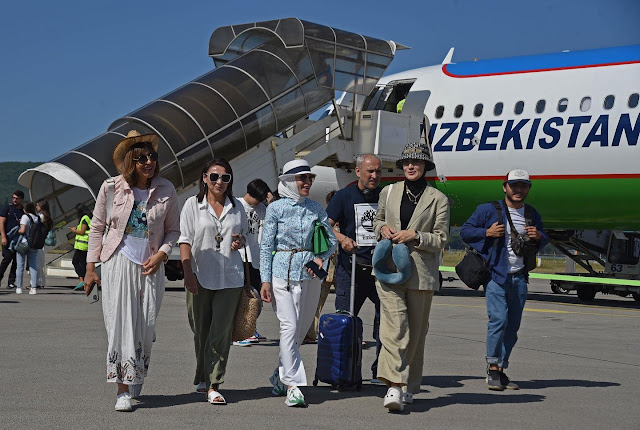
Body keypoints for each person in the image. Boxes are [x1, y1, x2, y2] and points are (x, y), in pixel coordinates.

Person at [84, 130, 180, 412]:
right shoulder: (111, 188)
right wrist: (91, 267)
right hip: (118, 261)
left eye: (152, 156)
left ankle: (136, 370)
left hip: (151, 265)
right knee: (120, 325)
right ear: (130, 161)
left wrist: (163, 253)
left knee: (146, 326)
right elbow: (97, 227)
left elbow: (173, 230)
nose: (148, 162)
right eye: (141, 158)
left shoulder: (166, 190)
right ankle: (122, 388)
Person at [373, 142, 449, 411]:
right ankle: (393, 385)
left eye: (416, 162)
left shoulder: (438, 199)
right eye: (406, 162)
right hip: (389, 269)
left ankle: (408, 386)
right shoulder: (388, 191)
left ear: (425, 166)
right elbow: (377, 220)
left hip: (421, 273)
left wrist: (415, 235)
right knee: (396, 328)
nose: (410, 166)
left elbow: (441, 239)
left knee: (416, 333)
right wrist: (382, 228)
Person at [460, 169, 548, 391]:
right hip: (496, 276)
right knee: (498, 320)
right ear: (505, 187)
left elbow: (543, 237)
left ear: (528, 188)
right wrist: (487, 233)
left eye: (523, 186)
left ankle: (501, 366)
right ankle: (492, 367)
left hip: (519, 277)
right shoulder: (489, 210)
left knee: (513, 326)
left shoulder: (531, 213)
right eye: (514, 185)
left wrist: (539, 237)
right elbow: (466, 231)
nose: (518, 190)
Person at [260, 159, 337, 407]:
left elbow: (331, 241)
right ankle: (294, 385)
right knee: (289, 326)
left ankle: (280, 375)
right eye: (302, 178)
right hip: (282, 271)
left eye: (310, 178)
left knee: (302, 330)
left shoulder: (316, 208)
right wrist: (265, 280)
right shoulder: (275, 209)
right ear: (288, 182)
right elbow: (266, 247)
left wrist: (320, 258)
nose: (307, 182)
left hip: (310, 274)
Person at [178, 158, 247, 405]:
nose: (220, 182)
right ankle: (203, 377)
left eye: (225, 177)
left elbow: (243, 237)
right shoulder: (192, 205)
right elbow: (184, 240)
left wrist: (240, 242)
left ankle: (214, 383)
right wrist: (188, 273)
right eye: (215, 176)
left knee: (220, 333)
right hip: (200, 274)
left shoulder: (237, 206)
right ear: (204, 178)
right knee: (201, 331)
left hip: (230, 276)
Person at [326, 154, 383, 380]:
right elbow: (325, 226)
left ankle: (382, 370)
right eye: (370, 171)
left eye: (378, 171)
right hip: (351, 269)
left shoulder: (386, 195)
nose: (374, 176)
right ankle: (346, 370)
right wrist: (341, 239)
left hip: (381, 270)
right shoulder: (344, 196)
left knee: (386, 324)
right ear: (358, 172)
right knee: (346, 321)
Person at [237, 178, 273, 345]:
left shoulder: (263, 208)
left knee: (254, 297)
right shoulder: (237, 205)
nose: (258, 202)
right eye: (257, 199)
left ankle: (249, 328)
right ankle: (238, 331)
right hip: (240, 258)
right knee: (240, 297)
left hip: (256, 259)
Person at [304, 190, 339, 344]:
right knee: (317, 303)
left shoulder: (328, 219)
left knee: (321, 303)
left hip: (334, 268)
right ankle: (311, 332)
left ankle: (311, 332)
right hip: (329, 267)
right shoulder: (326, 220)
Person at [0, 190, 25, 289]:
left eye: (17, 198)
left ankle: (11, 282)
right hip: (8, 238)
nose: (14, 200)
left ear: (21, 199)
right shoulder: (7, 208)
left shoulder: (23, 210)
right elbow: (1, 222)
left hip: (19, 240)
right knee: (7, 259)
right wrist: (3, 237)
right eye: (13, 198)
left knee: (16, 261)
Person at [14, 202, 40, 295]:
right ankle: (33, 288)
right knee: (33, 266)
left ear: (25, 209)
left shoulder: (25, 217)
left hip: (24, 243)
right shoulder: (37, 218)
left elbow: (22, 230)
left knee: (20, 266)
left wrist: (18, 229)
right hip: (34, 244)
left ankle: (19, 287)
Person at [71, 204, 92, 288]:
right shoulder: (89, 217)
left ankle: (81, 279)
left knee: (75, 261)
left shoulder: (84, 219)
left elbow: (82, 232)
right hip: (85, 244)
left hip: (82, 245)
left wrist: (74, 231)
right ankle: (83, 280)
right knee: (82, 262)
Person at [35, 200, 54, 290]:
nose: (36, 207)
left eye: (37, 205)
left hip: (39, 241)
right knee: (40, 263)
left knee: (37, 263)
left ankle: (37, 282)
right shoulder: (47, 217)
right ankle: (40, 281)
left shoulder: (40, 217)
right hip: (42, 242)